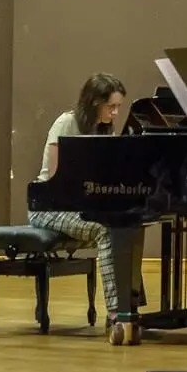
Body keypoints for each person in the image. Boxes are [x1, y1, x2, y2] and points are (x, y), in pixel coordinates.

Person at [27, 73, 127, 326]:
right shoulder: (66, 123)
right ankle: (116, 311)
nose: (116, 113)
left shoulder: (105, 131)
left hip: (78, 205)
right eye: (111, 106)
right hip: (49, 207)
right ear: (94, 102)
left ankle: (130, 306)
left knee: (128, 227)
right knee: (104, 230)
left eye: (118, 107)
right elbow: (55, 179)